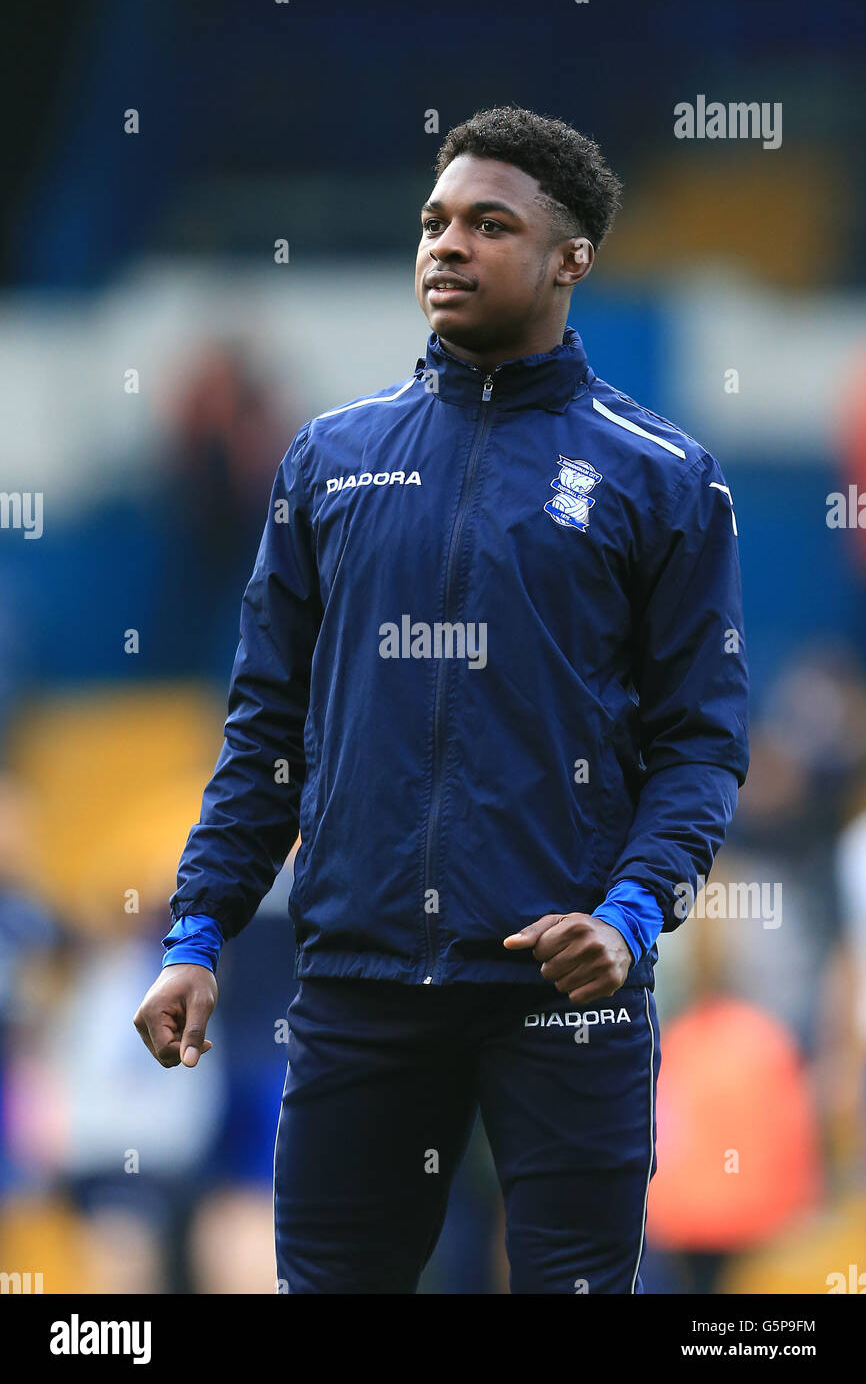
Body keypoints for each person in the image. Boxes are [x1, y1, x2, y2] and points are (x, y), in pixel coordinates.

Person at [133, 105, 749, 1294]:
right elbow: (266, 733)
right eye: (432, 221)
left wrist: (626, 917)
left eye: (487, 223)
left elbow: (700, 746)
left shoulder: (659, 476)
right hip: (359, 984)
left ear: (571, 259)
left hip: (561, 987)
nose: (446, 245)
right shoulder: (327, 461)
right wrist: (199, 930)